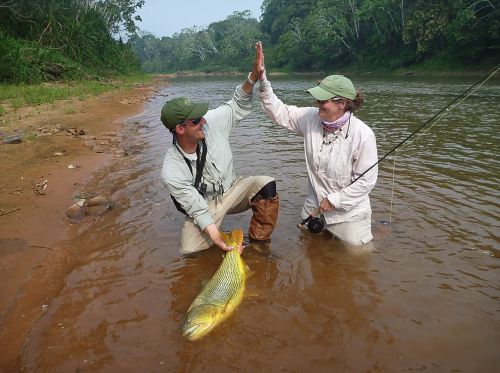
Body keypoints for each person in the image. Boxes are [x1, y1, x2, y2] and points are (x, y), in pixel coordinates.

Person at [160, 44, 279, 255]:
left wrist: (253, 75)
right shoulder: (171, 170)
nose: (203, 120)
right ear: (179, 129)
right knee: (189, 253)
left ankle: (259, 246)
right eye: (196, 120)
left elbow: (236, 104)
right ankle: (221, 240)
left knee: (266, 185)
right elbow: (196, 207)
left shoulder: (210, 123)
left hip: (232, 190)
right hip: (206, 206)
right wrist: (219, 240)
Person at [256, 45, 377, 249]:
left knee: (360, 259)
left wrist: (336, 200)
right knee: (309, 249)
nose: (317, 102)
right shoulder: (311, 117)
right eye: (316, 98)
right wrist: (263, 79)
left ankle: (379, 229)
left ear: (342, 103)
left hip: (349, 212)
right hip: (315, 206)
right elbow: (280, 112)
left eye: (323, 99)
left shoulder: (363, 135)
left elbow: (366, 181)